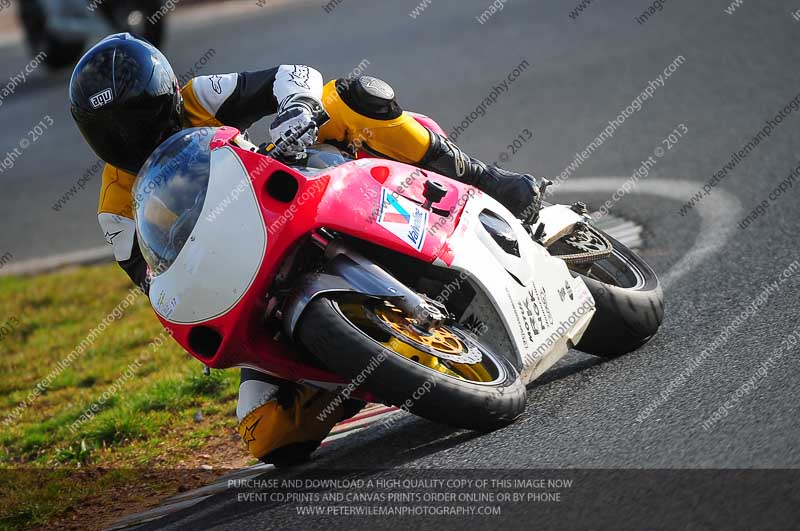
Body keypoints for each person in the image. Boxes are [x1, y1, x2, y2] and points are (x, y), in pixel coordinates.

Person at [69, 33, 540, 465]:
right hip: (251, 272)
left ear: (169, 96)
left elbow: (292, 75)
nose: (133, 140)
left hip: (297, 185)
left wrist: (295, 107)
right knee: (266, 434)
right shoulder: (116, 208)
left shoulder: (199, 97)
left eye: (140, 120)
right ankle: (354, 372)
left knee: (349, 98)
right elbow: (158, 283)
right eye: (112, 133)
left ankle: (484, 180)